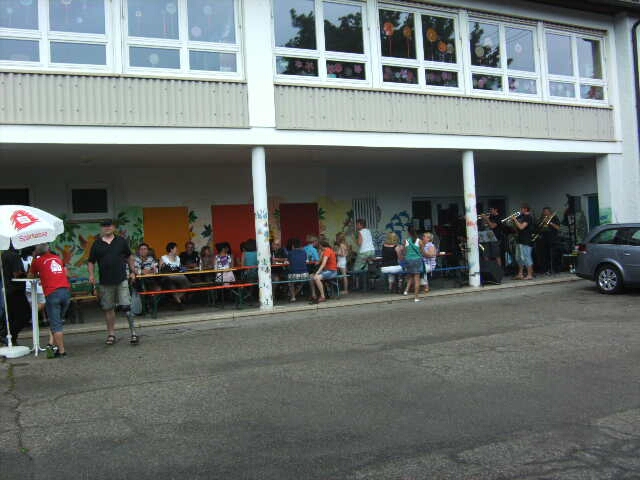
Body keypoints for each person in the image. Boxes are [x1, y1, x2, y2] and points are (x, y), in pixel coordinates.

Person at [88, 219, 138, 345]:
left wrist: (133, 271)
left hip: (121, 279)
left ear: (114, 227)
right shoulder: (96, 244)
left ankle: (133, 333)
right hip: (105, 282)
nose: (107, 228)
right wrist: (91, 275)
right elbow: (91, 261)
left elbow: (129, 256)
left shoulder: (121, 241)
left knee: (126, 307)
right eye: (104, 226)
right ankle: (111, 334)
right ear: (101, 228)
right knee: (108, 308)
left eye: (109, 225)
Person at [29, 244, 71, 357]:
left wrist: (34, 258)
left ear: (37, 252)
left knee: (56, 324)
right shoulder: (57, 258)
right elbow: (66, 274)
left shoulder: (37, 261)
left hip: (52, 293)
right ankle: (51, 344)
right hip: (66, 291)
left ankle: (61, 351)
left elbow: (30, 276)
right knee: (57, 321)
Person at [0, 247, 30, 346]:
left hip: (8, 288)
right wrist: (27, 273)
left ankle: (11, 339)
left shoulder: (4, 255)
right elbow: (16, 273)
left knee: (12, 317)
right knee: (25, 315)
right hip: (16, 290)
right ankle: (6, 334)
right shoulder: (14, 256)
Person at [159, 242, 191, 308]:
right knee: (171, 284)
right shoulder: (163, 258)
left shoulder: (178, 258)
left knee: (187, 284)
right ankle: (179, 302)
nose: (177, 249)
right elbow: (160, 270)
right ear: (171, 249)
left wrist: (184, 268)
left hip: (178, 277)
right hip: (167, 278)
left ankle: (176, 299)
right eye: (176, 248)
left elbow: (180, 268)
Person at [20, 246, 46, 322]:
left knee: (32, 304)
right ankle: (32, 316)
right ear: (32, 252)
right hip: (37, 284)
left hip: (27, 284)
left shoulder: (21, 259)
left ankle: (34, 320)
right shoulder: (36, 258)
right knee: (43, 301)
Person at [309, 239, 338, 304]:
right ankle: (314, 295)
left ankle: (322, 296)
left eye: (319, 246)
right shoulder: (325, 251)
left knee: (316, 277)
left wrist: (317, 272)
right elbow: (319, 262)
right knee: (311, 276)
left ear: (321, 246)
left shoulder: (327, 251)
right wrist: (321, 254)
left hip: (332, 271)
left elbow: (323, 263)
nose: (318, 247)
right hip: (328, 271)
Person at [513, 204, 535, 280]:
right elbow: (517, 228)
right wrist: (514, 221)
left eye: (521, 209)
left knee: (527, 257)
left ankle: (530, 275)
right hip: (520, 240)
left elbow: (521, 227)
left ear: (525, 209)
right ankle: (520, 274)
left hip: (526, 240)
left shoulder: (528, 217)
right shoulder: (522, 217)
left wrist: (515, 219)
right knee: (519, 258)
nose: (520, 210)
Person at [402, 226, 424, 302]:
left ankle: (406, 291)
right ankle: (416, 297)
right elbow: (422, 252)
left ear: (408, 233)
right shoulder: (419, 241)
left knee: (411, 275)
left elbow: (404, 252)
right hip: (417, 260)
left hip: (408, 260)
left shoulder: (406, 241)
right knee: (417, 279)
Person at [537, 207, 561, 275]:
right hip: (544, 239)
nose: (545, 213)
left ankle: (553, 269)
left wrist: (550, 222)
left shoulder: (554, 218)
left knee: (553, 255)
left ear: (550, 212)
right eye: (544, 212)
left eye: (546, 211)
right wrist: (541, 223)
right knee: (544, 255)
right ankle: (545, 269)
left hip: (552, 239)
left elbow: (558, 228)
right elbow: (538, 227)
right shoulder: (542, 218)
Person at [353, 219, 375, 289]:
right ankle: (369, 284)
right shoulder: (368, 231)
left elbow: (359, 243)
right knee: (366, 267)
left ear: (360, 225)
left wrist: (355, 239)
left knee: (356, 269)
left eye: (357, 224)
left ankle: (356, 285)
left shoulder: (360, 232)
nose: (356, 226)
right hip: (372, 251)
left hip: (364, 252)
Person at [286, 238, 309, 302]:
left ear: (293, 246)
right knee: (302, 282)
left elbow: (288, 262)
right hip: (305, 274)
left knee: (290, 282)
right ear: (300, 245)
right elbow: (306, 260)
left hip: (294, 274)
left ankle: (293, 296)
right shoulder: (304, 252)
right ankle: (295, 293)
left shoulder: (290, 253)